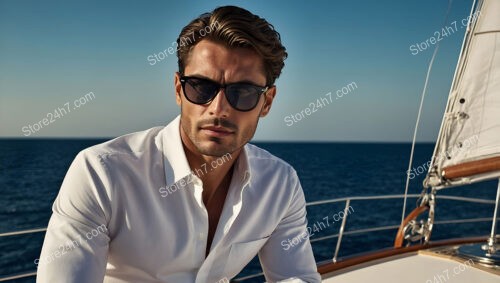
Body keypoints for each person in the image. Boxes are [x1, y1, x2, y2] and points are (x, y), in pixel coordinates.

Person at [37, 5, 321, 283]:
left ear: (267, 102)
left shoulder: (280, 183)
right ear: (178, 90)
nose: (218, 109)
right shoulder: (101, 173)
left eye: (243, 92)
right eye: (201, 87)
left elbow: (297, 276)